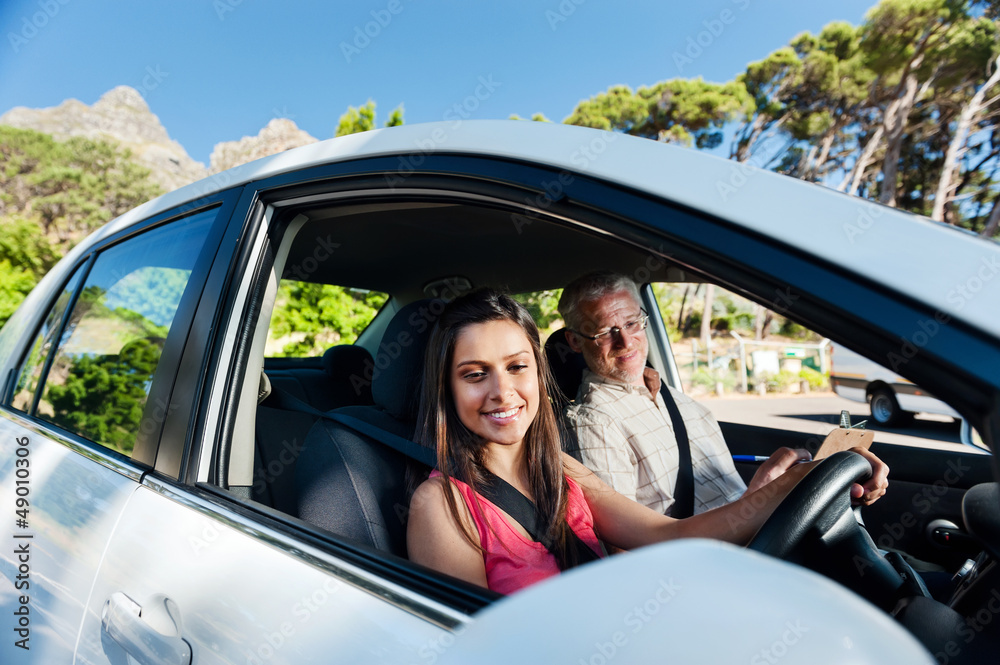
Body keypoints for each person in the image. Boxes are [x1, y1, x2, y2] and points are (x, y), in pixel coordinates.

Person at [406, 288, 888, 594]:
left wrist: (802, 480)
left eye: (517, 367)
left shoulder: (562, 469)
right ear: (447, 388)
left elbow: (669, 536)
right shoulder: (441, 505)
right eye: (475, 375)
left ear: (538, 372)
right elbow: (475, 647)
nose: (502, 392)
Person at [558, 271, 824, 516]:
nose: (626, 341)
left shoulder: (677, 399)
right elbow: (624, 546)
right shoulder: (591, 423)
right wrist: (758, 497)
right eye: (606, 332)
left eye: (631, 323)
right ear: (575, 341)